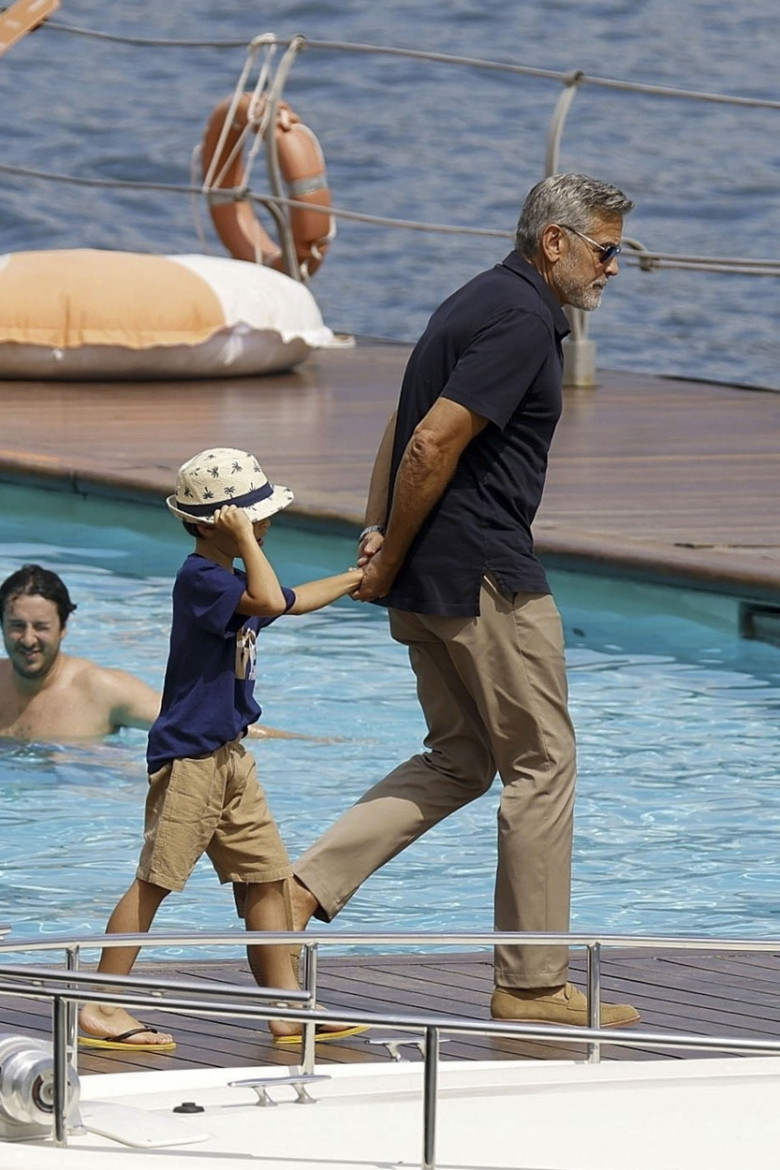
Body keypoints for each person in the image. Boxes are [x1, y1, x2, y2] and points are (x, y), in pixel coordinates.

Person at [289, 173, 640, 1028]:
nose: (613, 269)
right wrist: (390, 548)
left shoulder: (475, 299)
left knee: (460, 760)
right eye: (604, 249)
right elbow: (434, 441)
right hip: (484, 577)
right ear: (554, 242)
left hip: (431, 579)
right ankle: (529, 985)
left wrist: (382, 542)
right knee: (541, 764)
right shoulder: (523, 318)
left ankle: (297, 891)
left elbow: (402, 428)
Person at [78, 448, 364, 1049]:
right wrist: (245, 541)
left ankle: (286, 1008)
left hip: (230, 757)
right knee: (156, 879)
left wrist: (360, 577)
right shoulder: (202, 579)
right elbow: (267, 599)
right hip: (190, 759)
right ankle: (102, 1005)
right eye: (255, 517)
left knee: (266, 878)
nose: (266, 525)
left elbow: (289, 600)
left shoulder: (231, 581)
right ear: (220, 523)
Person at [0, 563, 295, 742]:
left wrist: (301, 741)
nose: (28, 639)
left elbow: (199, 723)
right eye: (16, 626)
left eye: (41, 626)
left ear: (63, 627)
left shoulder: (101, 689)